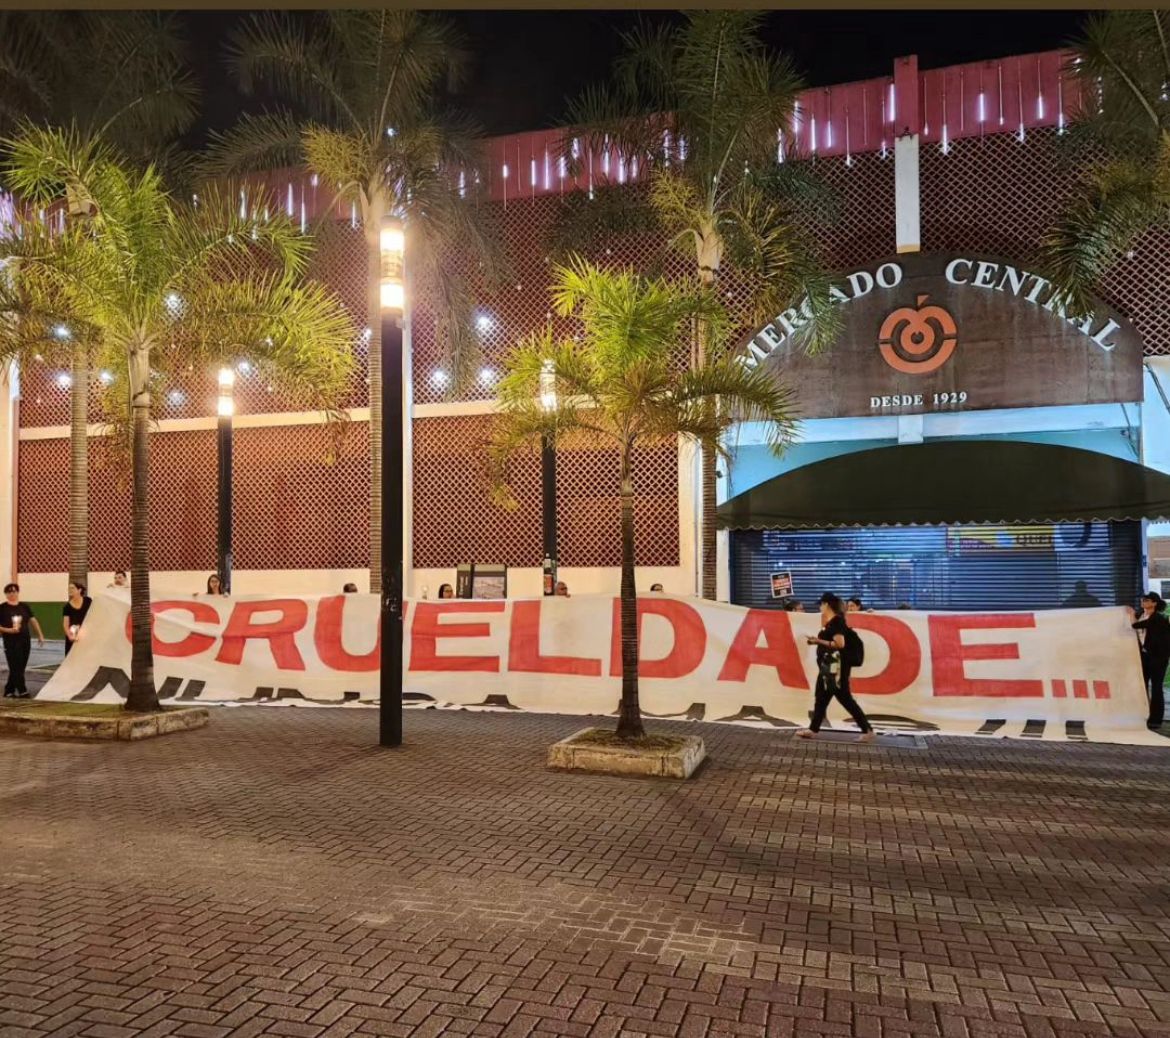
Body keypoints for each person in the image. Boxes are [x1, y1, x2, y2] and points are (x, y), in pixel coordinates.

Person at [797, 593, 875, 743]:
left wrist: (817, 641)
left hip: (836, 668)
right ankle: (813, 729)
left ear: (827, 605)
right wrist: (817, 642)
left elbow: (840, 644)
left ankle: (867, 730)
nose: (820, 607)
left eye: (821, 604)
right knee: (821, 696)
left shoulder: (837, 622)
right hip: (829, 667)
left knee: (844, 698)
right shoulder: (831, 622)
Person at [1130, 591, 1169, 729]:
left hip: (1158, 657)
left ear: (1154, 603)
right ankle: (1143, 714)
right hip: (1144, 656)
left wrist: (1130, 615)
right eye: (1142, 600)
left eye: (1146, 600)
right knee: (1143, 685)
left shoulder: (1159, 618)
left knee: (1157, 687)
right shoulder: (1140, 615)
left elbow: (1136, 626)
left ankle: (1156, 718)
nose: (1143, 602)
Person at [1, 583, 45, 698]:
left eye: (14, 591)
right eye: (9, 592)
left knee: (21, 665)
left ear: (18, 592)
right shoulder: (2, 608)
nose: (12, 594)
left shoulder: (24, 606)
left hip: (25, 640)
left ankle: (9, 690)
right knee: (15, 665)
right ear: (6, 594)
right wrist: (8, 630)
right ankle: (22, 690)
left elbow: (33, 620)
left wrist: (40, 635)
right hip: (10, 641)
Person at [61, 582, 92, 657]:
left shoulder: (88, 601)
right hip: (74, 636)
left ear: (79, 590)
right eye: (69, 588)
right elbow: (65, 625)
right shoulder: (67, 607)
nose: (70, 590)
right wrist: (70, 636)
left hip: (87, 636)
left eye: (72, 588)